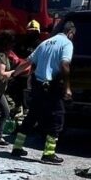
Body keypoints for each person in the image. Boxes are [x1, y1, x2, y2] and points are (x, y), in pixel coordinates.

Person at [11, 21, 76, 164]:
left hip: (38, 86)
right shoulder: (67, 44)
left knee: (32, 116)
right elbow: (64, 65)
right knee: (57, 118)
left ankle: (17, 147)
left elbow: (27, 62)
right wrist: (67, 87)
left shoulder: (44, 43)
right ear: (70, 32)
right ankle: (48, 153)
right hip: (52, 87)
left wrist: (14, 73)